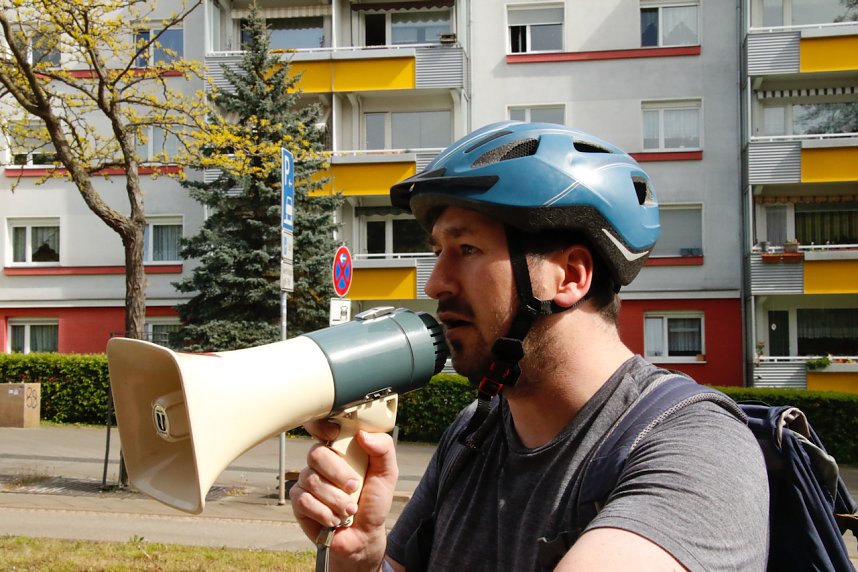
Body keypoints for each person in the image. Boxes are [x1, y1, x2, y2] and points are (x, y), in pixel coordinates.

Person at [290, 121, 769, 571]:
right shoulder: (472, 434)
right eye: (438, 252)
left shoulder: (694, 449)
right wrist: (363, 561)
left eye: (468, 249)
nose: (435, 283)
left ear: (570, 276)